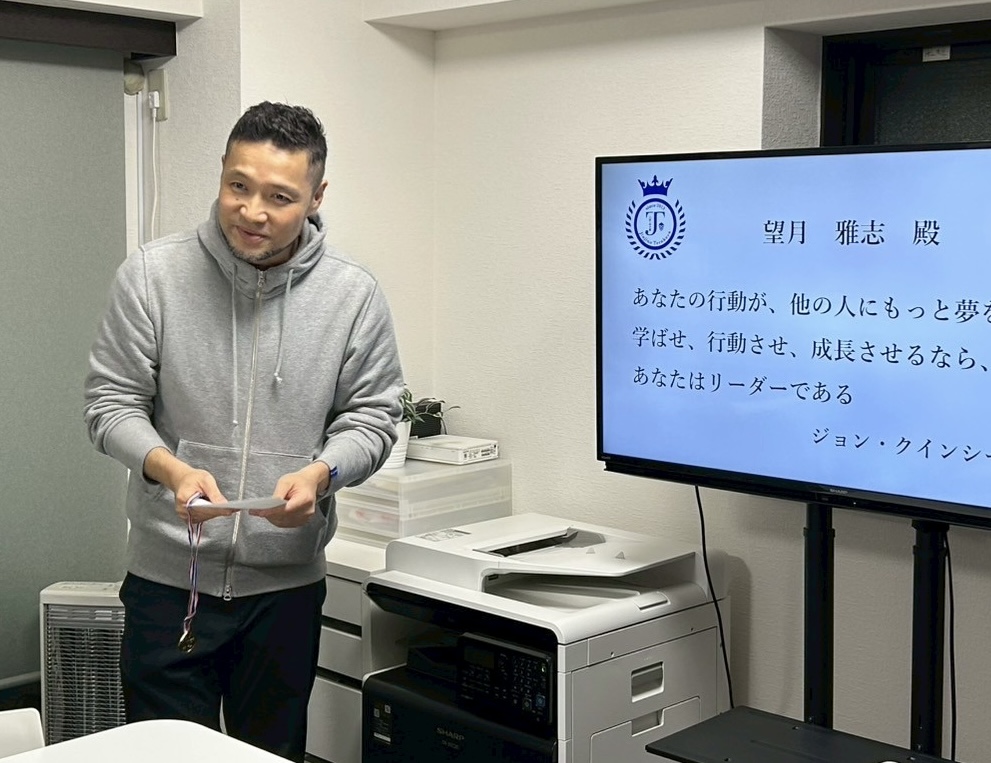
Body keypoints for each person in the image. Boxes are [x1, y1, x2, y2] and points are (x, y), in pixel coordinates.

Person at [84, 101, 403, 761]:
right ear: (222, 173)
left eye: (279, 197)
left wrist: (323, 473)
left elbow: (373, 416)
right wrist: (170, 469)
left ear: (316, 197)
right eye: (238, 185)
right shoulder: (153, 275)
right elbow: (110, 404)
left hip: (285, 592)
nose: (252, 211)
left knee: (272, 752)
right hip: (170, 583)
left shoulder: (353, 295)